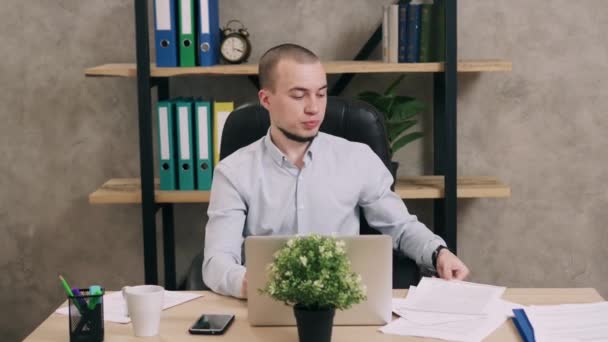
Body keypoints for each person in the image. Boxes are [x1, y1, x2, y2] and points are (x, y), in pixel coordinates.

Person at [203, 43, 469, 298]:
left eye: (321, 93)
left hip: (344, 301)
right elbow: (217, 260)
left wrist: (439, 253)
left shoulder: (357, 158)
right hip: (266, 299)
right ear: (266, 99)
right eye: (299, 95)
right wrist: (249, 284)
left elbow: (400, 226)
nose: (314, 108)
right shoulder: (234, 172)